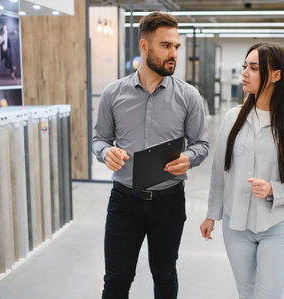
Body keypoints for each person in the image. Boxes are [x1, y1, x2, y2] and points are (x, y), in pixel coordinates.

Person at [92, 12, 209, 299]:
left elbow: (201, 144)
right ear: (144, 47)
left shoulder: (189, 96)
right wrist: (106, 152)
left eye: (176, 47)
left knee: (165, 274)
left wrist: (189, 158)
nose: (174, 54)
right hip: (124, 202)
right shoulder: (113, 94)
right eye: (166, 46)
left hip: (168, 202)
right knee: (117, 280)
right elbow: (98, 139)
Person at [200, 42, 284, 299]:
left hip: (277, 225)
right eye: (245, 66)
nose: (244, 72)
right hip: (236, 226)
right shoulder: (232, 118)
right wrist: (212, 215)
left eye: (253, 68)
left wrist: (273, 190)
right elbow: (220, 171)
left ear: (277, 75)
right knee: (246, 294)